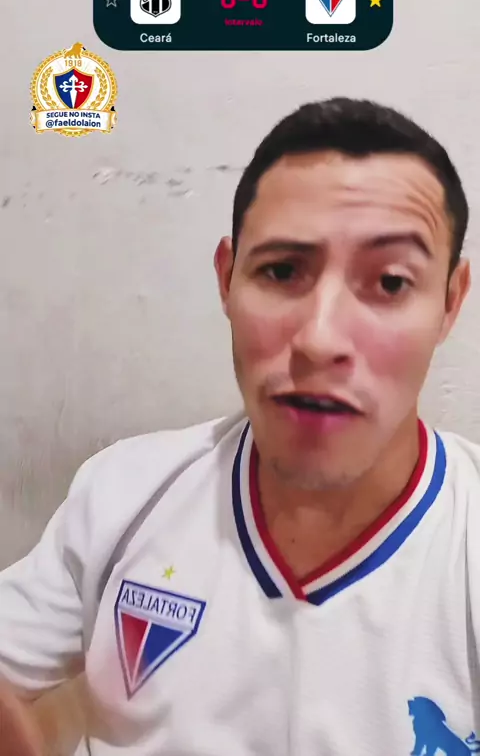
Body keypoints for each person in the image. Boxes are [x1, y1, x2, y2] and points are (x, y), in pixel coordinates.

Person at [0, 96, 478, 756]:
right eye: (281, 271)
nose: (319, 339)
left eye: (391, 283)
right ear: (227, 279)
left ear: (450, 302)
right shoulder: (126, 494)